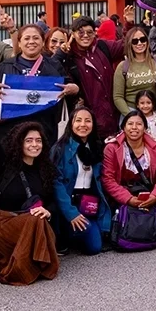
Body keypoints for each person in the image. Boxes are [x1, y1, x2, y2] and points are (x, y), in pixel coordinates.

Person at [0, 24, 80, 176]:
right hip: (9, 135)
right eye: (26, 38)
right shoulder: (5, 66)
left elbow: (69, 86)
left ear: (43, 42)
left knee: (39, 182)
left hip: (43, 134)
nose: (31, 41)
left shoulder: (54, 66)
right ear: (19, 43)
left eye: (36, 38)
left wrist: (74, 88)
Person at [0, 121, 61, 285]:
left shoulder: (45, 168)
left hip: (32, 223)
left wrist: (48, 211)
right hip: (3, 223)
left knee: (38, 216)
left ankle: (33, 263)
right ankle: (24, 269)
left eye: (38, 140)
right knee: (35, 219)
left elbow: (52, 201)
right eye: (29, 140)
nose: (34, 144)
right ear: (19, 143)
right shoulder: (5, 165)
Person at [52, 106, 111, 255]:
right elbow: (55, 183)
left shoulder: (97, 147)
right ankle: (64, 232)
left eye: (88, 121)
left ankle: (76, 233)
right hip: (69, 204)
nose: (83, 125)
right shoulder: (60, 149)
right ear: (71, 124)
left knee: (94, 247)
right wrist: (71, 213)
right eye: (78, 120)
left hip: (89, 203)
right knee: (91, 243)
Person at [101, 110, 156, 234]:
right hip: (122, 197)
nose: (134, 128)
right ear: (123, 127)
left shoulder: (154, 147)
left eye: (139, 124)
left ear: (145, 127)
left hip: (148, 195)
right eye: (130, 124)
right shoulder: (111, 148)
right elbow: (108, 180)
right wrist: (128, 199)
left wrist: (155, 196)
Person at [65, 16, 123, 140]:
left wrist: (128, 23)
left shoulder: (102, 46)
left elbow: (126, 45)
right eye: (80, 32)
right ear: (73, 34)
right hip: (88, 124)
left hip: (113, 118)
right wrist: (61, 52)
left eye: (89, 32)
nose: (85, 35)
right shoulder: (68, 57)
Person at [114, 24, 156, 116]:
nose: (139, 43)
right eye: (135, 41)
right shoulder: (123, 66)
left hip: (154, 112)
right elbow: (117, 97)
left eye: (142, 39)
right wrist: (130, 116)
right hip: (131, 111)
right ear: (130, 44)